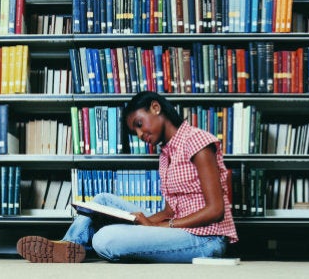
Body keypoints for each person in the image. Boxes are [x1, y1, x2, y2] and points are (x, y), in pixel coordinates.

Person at [16, 91, 238, 263]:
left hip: (204, 239)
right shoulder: (167, 153)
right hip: (178, 227)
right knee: (102, 199)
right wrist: (149, 221)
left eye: (139, 125)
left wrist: (159, 227)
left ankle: (83, 247)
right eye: (136, 132)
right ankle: (70, 246)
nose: (141, 135)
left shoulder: (197, 141)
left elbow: (215, 210)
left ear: (155, 107)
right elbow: (172, 210)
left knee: (105, 238)